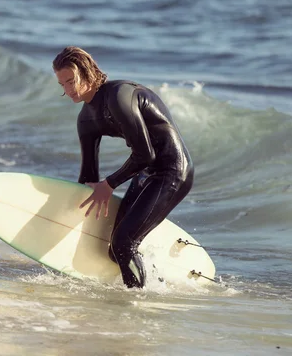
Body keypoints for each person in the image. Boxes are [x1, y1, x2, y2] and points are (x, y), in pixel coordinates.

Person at [52, 46, 194, 289]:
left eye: (71, 81)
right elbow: (88, 176)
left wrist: (108, 184)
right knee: (114, 251)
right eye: (62, 84)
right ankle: (154, 282)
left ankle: (138, 303)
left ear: (87, 73)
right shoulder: (85, 119)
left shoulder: (119, 96)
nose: (68, 90)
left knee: (123, 243)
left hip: (172, 170)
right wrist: (70, 214)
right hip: (145, 174)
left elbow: (145, 154)